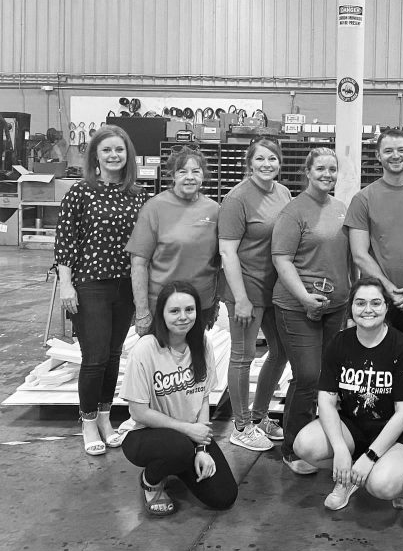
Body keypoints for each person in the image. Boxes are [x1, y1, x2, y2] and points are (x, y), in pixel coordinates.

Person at [293, 277, 403, 511]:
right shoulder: (339, 343)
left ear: (386, 307)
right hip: (354, 426)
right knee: (304, 446)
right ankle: (346, 479)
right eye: (360, 303)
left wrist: (370, 457)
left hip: (400, 432)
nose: (368, 309)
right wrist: (339, 451)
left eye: (376, 303)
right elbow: (326, 400)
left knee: (382, 485)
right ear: (351, 308)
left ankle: (402, 482)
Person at [55, 125, 147, 457]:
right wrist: (67, 285)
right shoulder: (80, 193)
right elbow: (65, 244)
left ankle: (106, 417)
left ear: (128, 156)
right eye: (106, 150)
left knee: (111, 356)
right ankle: (88, 421)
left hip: (124, 285)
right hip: (90, 283)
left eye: (119, 150)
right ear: (96, 155)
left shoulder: (137, 194)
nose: (113, 155)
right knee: (93, 358)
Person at [120, 281, 238, 516]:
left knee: (224, 496)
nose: (183, 317)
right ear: (161, 314)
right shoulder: (146, 349)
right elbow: (139, 412)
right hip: (144, 434)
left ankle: (180, 465)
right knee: (179, 448)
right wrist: (188, 431)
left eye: (189, 310)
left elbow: (203, 398)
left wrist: (203, 448)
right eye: (174, 311)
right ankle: (151, 480)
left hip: (190, 435)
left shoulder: (201, 344)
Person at [272, 148, 351, 475]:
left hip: (337, 307)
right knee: (307, 376)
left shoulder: (340, 208)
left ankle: (317, 434)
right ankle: (291, 447)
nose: (327, 174)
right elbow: (281, 259)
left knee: (329, 377)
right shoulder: (294, 212)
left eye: (332, 169)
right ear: (308, 171)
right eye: (320, 169)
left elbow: (348, 256)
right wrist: (304, 297)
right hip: (296, 306)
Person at [218, 138, 292, 454]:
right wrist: (242, 298)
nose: (266, 164)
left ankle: (259, 417)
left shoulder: (283, 193)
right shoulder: (237, 199)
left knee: (281, 350)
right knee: (243, 355)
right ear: (250, 163)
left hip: (274, 288)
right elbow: (227, 251)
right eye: (260, 158)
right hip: (245, 288)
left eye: (272, 158)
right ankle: (241, 425)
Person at [346, 128, 403, 372]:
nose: (395, 156)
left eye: (400, 150)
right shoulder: (363, 199)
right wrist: (388, 290)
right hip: (376, 300)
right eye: (388, 151)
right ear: (378, 156)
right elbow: (359, 253)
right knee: (375, 367)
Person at [127, 145, 220, 334]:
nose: (190, 177)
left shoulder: (214, 210)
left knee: (194, 361)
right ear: (173, 175)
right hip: (163, 306)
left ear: (203, 175)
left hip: (199, 306)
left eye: (196, 171)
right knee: (159, 360)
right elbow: (138, 264)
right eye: (182, 171)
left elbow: (220, 262)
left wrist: (215, 302)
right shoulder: (154, 208)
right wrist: (142, 311)